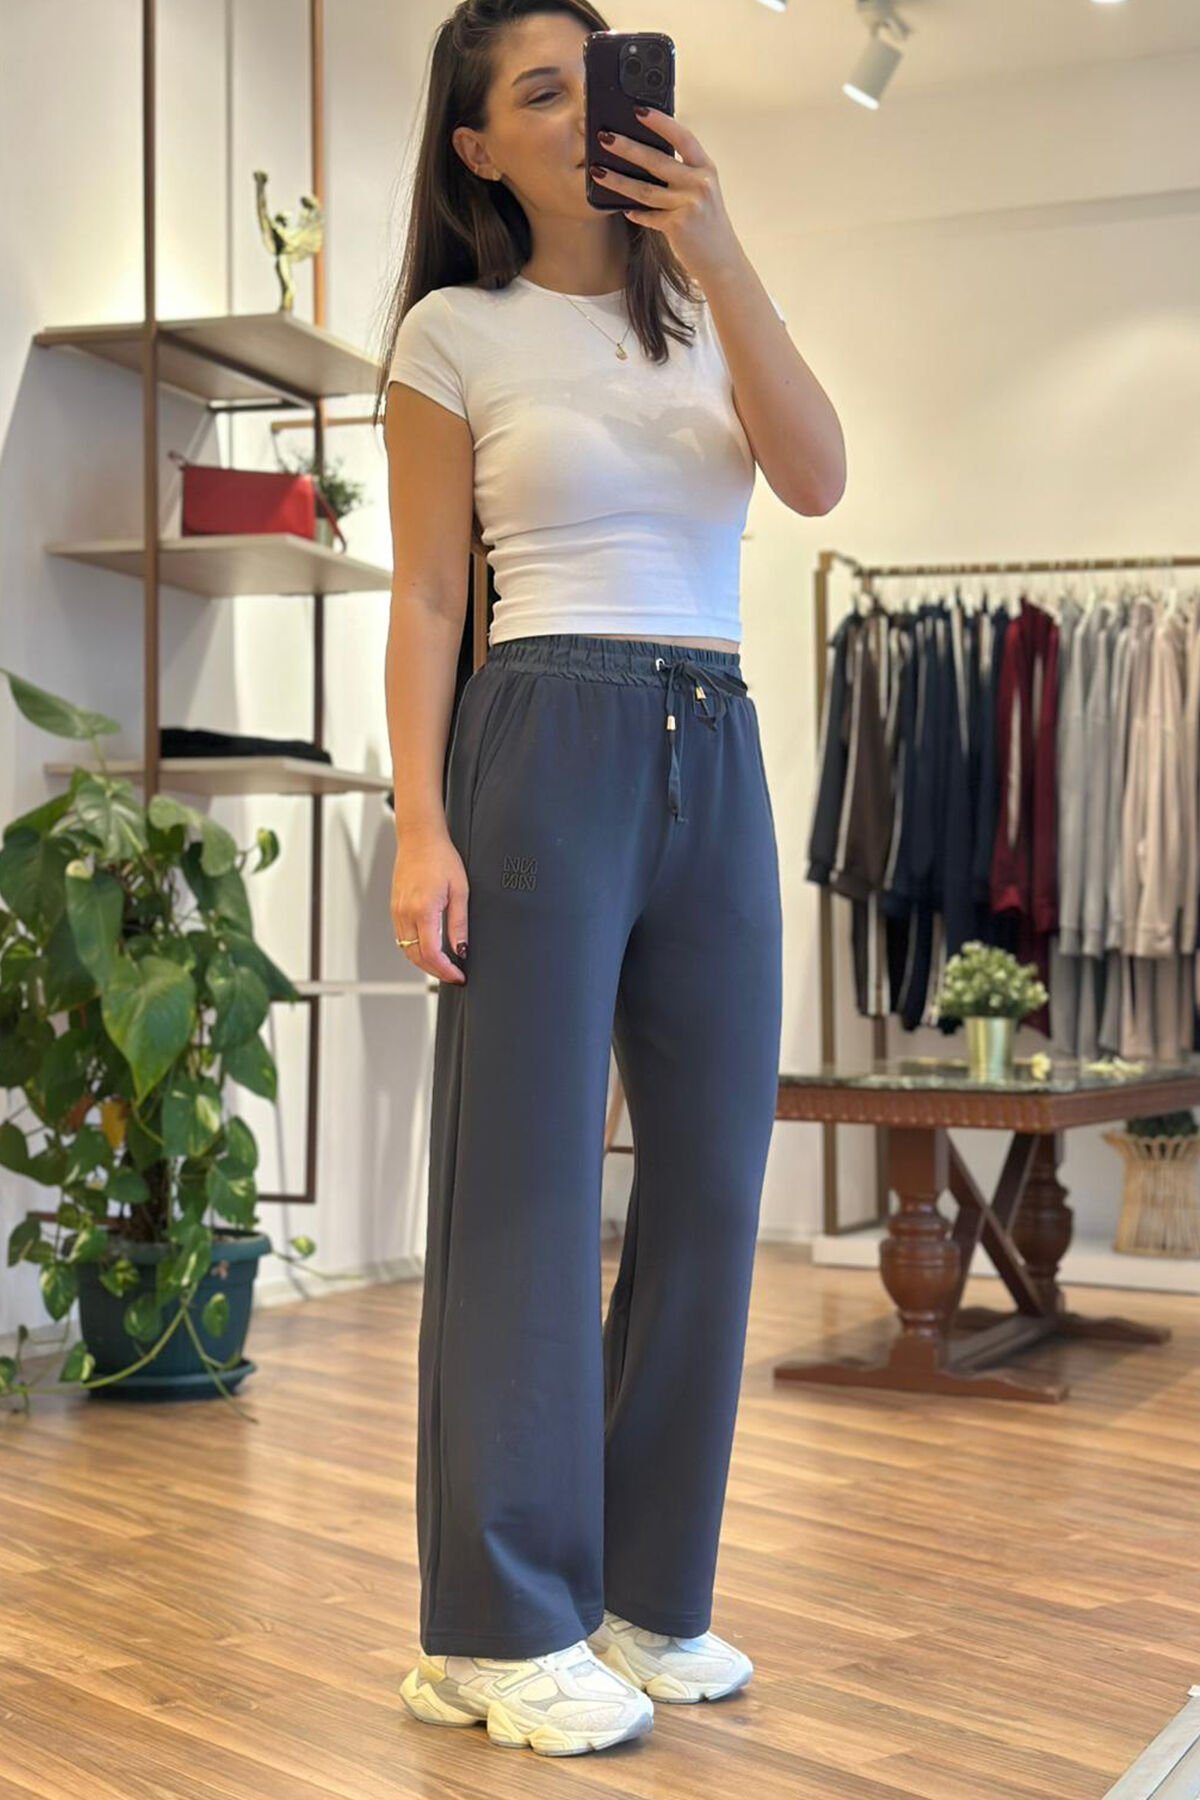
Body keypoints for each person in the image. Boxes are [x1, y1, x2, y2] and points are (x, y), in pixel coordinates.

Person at [376, 0, 845, 1761]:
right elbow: (431, 596)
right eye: (541, 91)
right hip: (543, 736)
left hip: (712, 739)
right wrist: (421, 823)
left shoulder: (708, 310)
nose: (585, 114)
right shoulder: (454, 332)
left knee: (714, 1177)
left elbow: (818, 475)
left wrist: (717, 247)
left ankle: (646, 1594)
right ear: (479, 148)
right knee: (524, 1187)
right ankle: (495, 1629)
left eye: (601, 80)